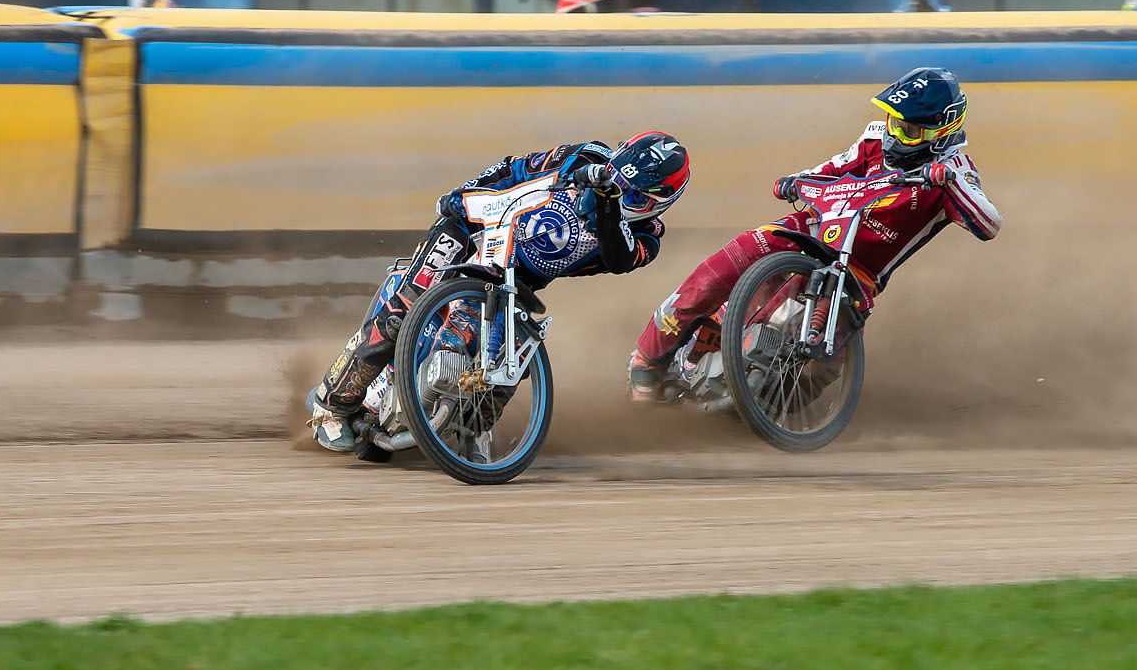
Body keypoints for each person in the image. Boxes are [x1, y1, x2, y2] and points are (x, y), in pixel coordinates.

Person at [628, 68, 1000, 402]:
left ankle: (764, 413)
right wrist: (794, 181)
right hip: (810, 229)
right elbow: (827, 171)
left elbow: (989, 224)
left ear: (944, 129)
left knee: (824, 366)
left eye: (909, 129)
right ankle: (647, 362)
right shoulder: (874, 139)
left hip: (859, 272)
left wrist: (950, 181)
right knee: (727, 264)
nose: (895, 134)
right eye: (892, 121)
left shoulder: (956, 170)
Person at [309, 132, 693, 454]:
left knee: (517, 352)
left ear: (662, 203)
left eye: (637, 199)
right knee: (402, 312)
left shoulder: (648, 238)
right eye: (619, 183)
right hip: (468, 231)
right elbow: (514, 167)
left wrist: (609, 201)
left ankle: (470, 428)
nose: (626, 199)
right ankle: (332, 404)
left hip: (516, 278)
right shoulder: (582, 156)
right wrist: (464, 194)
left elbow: (619, 255)